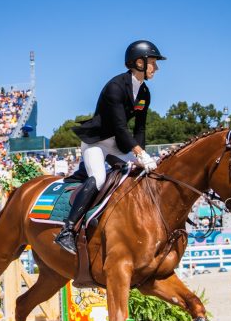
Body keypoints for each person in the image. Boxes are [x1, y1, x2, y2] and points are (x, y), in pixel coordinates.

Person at [54, 40, 165, 254]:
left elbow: (139, 129)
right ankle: (67, 230)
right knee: (99, 178)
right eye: (153, 62)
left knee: (141, 176)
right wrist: (140, 153)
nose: (156, 68)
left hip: (117, 144)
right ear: (139, 63)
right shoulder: (115, 86)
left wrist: (142, 156)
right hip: (96, 142)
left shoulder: (144, 93)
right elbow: (120, 126)